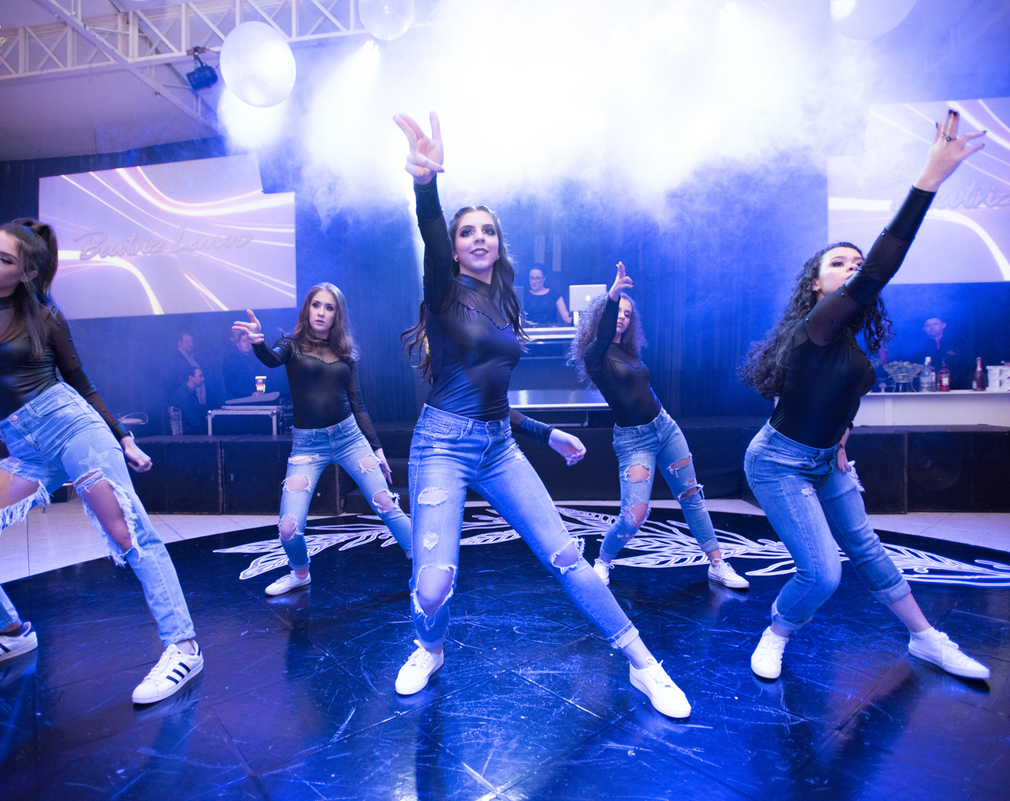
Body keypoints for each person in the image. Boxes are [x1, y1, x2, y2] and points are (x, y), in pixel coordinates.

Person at [392, 112, 691, 719]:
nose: (479, 238)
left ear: (499, 243)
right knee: (432, 586)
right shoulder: (443, 289)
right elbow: (428, 231)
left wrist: (547, 432)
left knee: (565, 557)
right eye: (467, 232)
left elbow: (494, 397)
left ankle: (643, 664)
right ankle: (430, 647)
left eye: (488, 232)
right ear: (454, 246)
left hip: (498, 445)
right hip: (440, 447)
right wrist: (426, 183)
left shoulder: (505, 298)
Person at [0, 219, 202, 705]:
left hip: (73, 429)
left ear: (25, 272)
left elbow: (81, 383)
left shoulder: (44, 316)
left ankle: (183, 647)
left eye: (4, 259)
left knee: (127, 532)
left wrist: (123, 437)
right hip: (24, 450)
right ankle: (6, 632)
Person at [737, 110, 991, 682]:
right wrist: (928, 180)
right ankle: (776, 632)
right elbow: (881, 266)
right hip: (778, 464)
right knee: (823, 574)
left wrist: (841, 442)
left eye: (855, 262)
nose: (851, 268)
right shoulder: (818, 326)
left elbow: (838, 398)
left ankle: (927, 639)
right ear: (818, 284)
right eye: (839, 264)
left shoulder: (849, 343)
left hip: (826, 462)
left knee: (871, 551)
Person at [571, 262, 747, 589]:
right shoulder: (596, 355)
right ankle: (602, 561)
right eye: (617, 310)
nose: (622, 315)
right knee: (634, 514)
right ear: (603, 316)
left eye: (627, 311)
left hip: (665, 429)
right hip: (633, 441)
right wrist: (614, 295)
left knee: (692, 496)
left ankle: (717, 564)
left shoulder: (630, 353)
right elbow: (605, 332)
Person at [233, 283, 414, 596]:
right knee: (288, 528)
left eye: (329, 308)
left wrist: (378, 449)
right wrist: (258, 343)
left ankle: (425, 565)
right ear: (308, 308)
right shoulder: (290, 345)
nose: (321, 312)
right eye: (317, 305)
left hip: (349, 438)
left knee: (385, 502)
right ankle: (300, 573)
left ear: (336, 315)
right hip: (307, 446)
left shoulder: (345, 353)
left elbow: (357, 404)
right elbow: (271, 360)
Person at [911, 315, 967, 389]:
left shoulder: (956, 343)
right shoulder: (917, 347)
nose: (932, 327)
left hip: (954, 388)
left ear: (943, 325)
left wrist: (951, 382)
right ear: (923, 329)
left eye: (935, 324)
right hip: (926, 388)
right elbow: (913, 367)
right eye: (928, 325)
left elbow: (964, 366)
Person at [170, 366, 209, 435]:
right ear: (190, 378)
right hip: (187, 435)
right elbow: (193, 420)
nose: (203, 378)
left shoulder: (191, 393)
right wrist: (211, 425)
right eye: (200, 376)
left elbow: (199, 412)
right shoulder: (184, 394)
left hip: (192, 431)